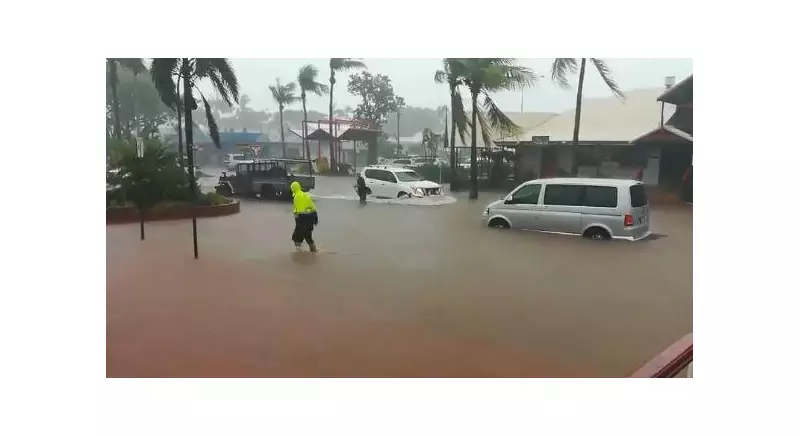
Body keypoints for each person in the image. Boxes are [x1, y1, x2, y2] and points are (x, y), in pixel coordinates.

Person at [290, 181, 318, 252]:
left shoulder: (297, 197)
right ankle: (312, 251)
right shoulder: (305, 195)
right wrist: (315, 218)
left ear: (293, 189)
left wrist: (297, 218)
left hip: (303, 218)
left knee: (297, 236)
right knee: (307, 235)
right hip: (311, 216)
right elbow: (313, 206)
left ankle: (299, 252)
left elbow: (298, 211)